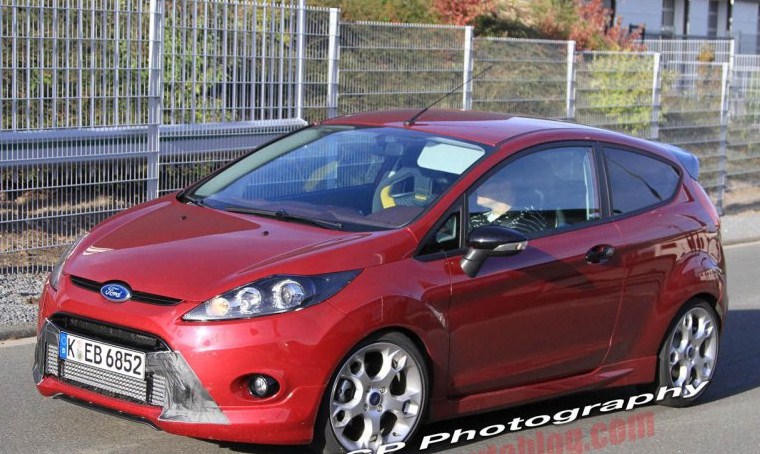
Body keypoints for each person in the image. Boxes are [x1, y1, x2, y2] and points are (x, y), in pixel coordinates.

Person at [469, 174, 548, 235]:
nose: (478, 188)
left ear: (505, 185)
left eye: (485, 183)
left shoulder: (526, 219)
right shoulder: (477, 218)